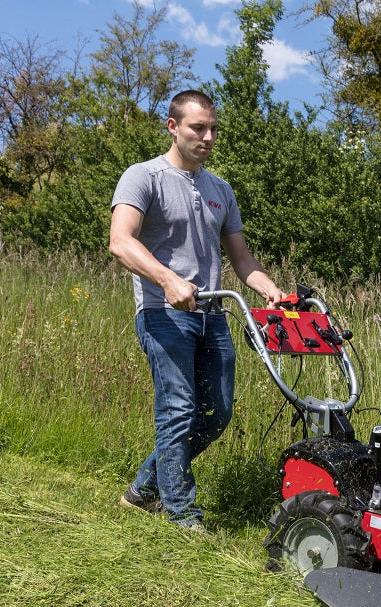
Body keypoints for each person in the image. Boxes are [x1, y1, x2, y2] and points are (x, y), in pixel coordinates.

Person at [109, 89, 284, 531]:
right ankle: (182, 513)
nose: (207, 137)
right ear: (173, 127)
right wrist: (168, 280)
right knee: (179, 408)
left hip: (213, 314)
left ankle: (144, 489)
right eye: (197, 128)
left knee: (218, 413)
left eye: (212, 129)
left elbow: (242, 259)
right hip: (162, 312)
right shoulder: (142, 177)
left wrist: (269, 288)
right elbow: (121, 241)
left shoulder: (220, 189)